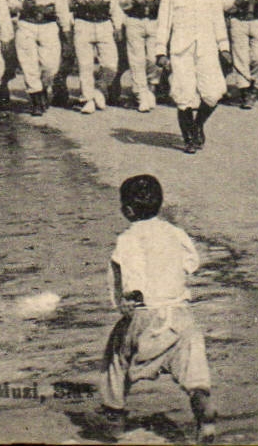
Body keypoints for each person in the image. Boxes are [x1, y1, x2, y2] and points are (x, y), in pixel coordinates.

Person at [101, 174, 216, 444]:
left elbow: (133, 269)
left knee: (115, 360)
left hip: (145, 313)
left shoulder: (129, 238)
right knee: (193, 367)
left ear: (128, 210)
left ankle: (114, 417)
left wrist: (131, 295)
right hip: (180, 314)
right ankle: (203, 408)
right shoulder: (175, 232)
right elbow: (191, 263)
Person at [153, 0, 232, 153]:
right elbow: (164, 24)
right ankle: (189, 138)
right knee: (184, 94)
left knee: (214, 92)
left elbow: (218, 21)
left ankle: (198, 125)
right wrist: (161, 51)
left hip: (207, 48)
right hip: (181, 50)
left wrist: (224, 47)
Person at [15, 0, 71, 115]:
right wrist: (23, 5)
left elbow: (61, 3)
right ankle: (36, 97)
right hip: (27, 24)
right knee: (29, 63)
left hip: (48, 24)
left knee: (51, 65)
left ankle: (43, 88)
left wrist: (65, 28)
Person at [71, 0, 122, 114]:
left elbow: (115, 3)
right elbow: (64, 0)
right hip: (83, 23)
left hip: (103, 23)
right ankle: (87, 99)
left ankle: (99, 90)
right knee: (85, 64)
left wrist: (117, 26)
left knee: (111, 64)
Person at [120, 0, 163, 113]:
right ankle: (140, 94)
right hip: (135, 19)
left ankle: (151, 87)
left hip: (153, 19)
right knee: (136, 59)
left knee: (153, 58)